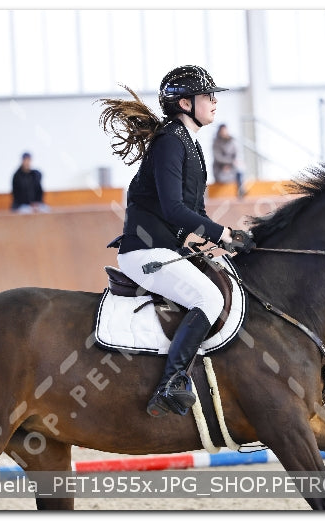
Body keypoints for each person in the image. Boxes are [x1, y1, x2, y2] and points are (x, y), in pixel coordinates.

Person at [99, 65, 255, 418]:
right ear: (185, 103)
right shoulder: (171, 141)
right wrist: (223, 234)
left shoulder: (191, 145)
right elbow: (173, 209)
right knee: (209, 296)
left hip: (167, 248)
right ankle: (171, 383)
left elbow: (190, 215)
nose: (215, 102)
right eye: (208, 96)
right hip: (145, 251)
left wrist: (216, 244)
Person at [212, 123, 244, 199]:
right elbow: (218, 158)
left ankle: (241, 191)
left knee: (240, 170)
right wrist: (228, 163)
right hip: (219, 169)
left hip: (231, 168)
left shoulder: (232, 141)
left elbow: (236, 154)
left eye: (225, 130)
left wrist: (230, 164)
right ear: (219, 132)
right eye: (222, 131)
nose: (224, 133)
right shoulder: (216, 143)